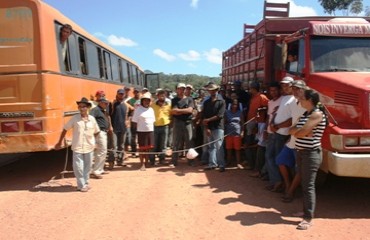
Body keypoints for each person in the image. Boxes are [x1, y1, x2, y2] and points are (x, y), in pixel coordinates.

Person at [289, 88, 327, 230]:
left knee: (308, 185)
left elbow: (299, 133)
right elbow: (292, 130)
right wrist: (301, 132)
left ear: (310, 100)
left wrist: (300, 132)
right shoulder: (306, 114)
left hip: (311, 153)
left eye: (302, 97)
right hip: (303, 152)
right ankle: (305, 212)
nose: (299, 99)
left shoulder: (316, 114)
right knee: (305, 184)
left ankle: (308, 218)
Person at [55, 97, 100, 192]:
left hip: (89, 147)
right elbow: (65, 129)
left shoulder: (92, 119)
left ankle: (86, 183)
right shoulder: (74, 119)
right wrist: (59, 142)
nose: (82, 108)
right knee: (78, 168)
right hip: (77, 147)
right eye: (80, 107)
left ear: (88, 108)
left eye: (84, 107)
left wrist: (96, 142)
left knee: (88, 167)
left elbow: (96, 131)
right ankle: (81, 185)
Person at [202, 83, 226, 172]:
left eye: (213, 90)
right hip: (210, 127)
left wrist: (207, 120)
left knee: (219, 146)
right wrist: (207, 127)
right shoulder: (207, 102)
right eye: (210, 90)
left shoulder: (221, 102)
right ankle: (212, 164)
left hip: (218, 127)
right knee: (211, 146)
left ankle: (221, 165)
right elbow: (204, 115)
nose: (211, 91)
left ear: (217, 90)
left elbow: (220, 115)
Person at [170, 83, 194, 166]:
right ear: (177, 89)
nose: (182, 90)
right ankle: (174, 161)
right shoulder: (174, 100)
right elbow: (173, 112)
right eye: (180, 88)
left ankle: (190, 161)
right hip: (177, 123)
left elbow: (190, 110)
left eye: (183, 89)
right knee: (176, 142)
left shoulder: (190, 99)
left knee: (189, 142)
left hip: (187, 123)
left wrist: (179, 111)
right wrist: (185, 110)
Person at [132, 92, 156, 171]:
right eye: (145, 100)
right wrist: (136, 132)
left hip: (150, 131)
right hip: (141, 132)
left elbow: (153, 121)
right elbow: (134, 122)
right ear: (142, 101)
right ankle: (142, 164)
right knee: (142, 149)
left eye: (148, 100)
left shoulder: (151, 109)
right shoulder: (138, 110)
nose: (146, 102)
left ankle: (146, 162)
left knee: (148, 148)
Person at [89, 97, 111, 179]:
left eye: (107, 103)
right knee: (101, 151)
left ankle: (100, 169)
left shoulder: (102, 110)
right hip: (99, 132)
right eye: (105, 103)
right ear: (100, 102)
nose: (107, 105)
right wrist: (94, 131)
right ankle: (96, 171)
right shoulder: (95, 110)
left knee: (103, 151)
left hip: (103, 132)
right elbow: (91, 119)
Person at [150, 89, 171, 165]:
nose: (162, 97)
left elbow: (170, 115)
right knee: (153, 144)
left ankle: (162, 159)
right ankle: (152, 160)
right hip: (154, 127)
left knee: (163, 144)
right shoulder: (152, 106)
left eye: (163, 95)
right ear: (157, 96)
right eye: (160, 95)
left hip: (165, 127)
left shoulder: (168, 106)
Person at [108, 89, 128, 169]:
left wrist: (127, 121)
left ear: (124, 95)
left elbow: (127, 115)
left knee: (122, 146)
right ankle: (111, 162)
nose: (121, 95)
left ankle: (120, 161)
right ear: (117, 94)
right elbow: (108, 115)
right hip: (114, 128)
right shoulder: (112, 104)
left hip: (123, 128)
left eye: (122, 94)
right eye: (120, 94)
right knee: (113, 146)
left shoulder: (125, 105)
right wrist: (110, 126)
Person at [224, 99, 244, 168]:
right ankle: (228, 161)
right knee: (228, 148)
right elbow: (225, 122)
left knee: (237, 149)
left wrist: (242, 132)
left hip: (237, 133)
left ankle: (238, 163)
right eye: (233, 104)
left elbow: (242, 123)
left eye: (236, 105)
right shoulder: (227, 112)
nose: (234, 106)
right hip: (229, 132)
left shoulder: (240, 113)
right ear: (231, 105)